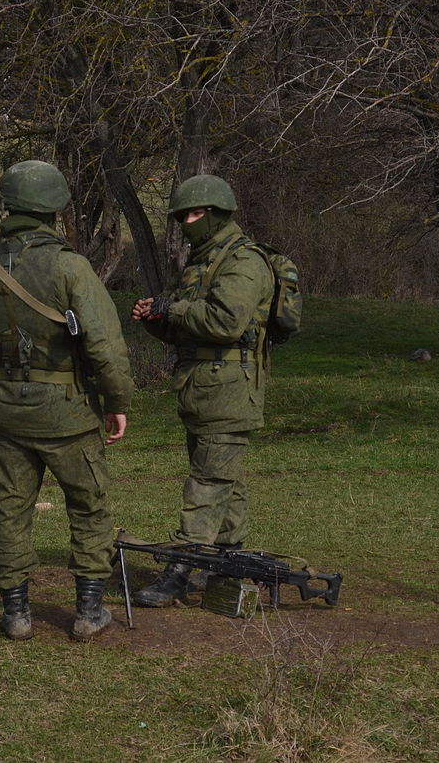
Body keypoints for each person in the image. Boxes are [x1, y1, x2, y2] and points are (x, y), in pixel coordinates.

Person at [0, 160, 133, 642]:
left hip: (6, 415)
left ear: (6, 205)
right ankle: (87, 611)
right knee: (89, 508)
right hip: (68, 414)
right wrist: (116, 400)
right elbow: (104, 343)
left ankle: (15, 614)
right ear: (55, 209)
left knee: (11, 510)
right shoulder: (69, 266)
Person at [129, 174, 274, 607]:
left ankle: (178, 572)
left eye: (193, 214)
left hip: (230, 391)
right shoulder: (200, 262)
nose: (186, 222)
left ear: (216, 213)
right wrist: (155, 319)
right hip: (201, 389)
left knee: (208, 482)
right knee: (227, 482)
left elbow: (225, 323)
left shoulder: (244, 261)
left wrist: (170, 306)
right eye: (182, 215)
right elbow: (185, 332)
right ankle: (227, 564)